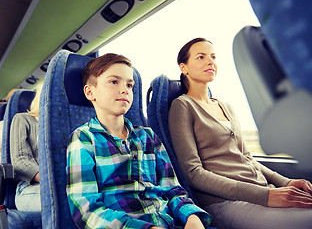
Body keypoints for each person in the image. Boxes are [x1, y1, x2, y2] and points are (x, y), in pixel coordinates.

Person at [168, 38, 312, 229]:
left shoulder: (226, 106)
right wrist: (266, 196)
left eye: (213, 56)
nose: (210, 61)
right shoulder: (182, 106)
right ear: (184, 67)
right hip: (224, 202)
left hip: (260, 190)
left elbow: (247, 158)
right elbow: (194, 173)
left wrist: (287, 182)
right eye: (201, 57)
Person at [66, 53, 211, 228]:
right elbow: (86, 209)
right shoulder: (84, 138)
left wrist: (191, 217)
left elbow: (172, 188)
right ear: (90, 92)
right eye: (114, 82)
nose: (124, 90)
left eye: (129, 85)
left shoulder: (148, 136)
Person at [10, 83, 43, 212]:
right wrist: (50, 180)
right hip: (30, 186)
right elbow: (20, 161)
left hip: (66, 185)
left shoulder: (65, 124)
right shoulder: (23, 119)